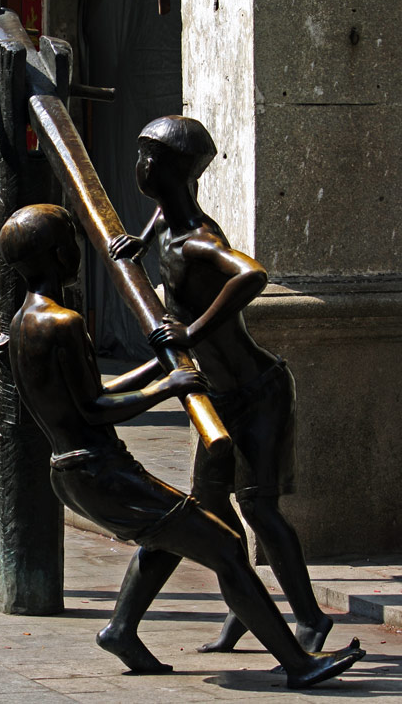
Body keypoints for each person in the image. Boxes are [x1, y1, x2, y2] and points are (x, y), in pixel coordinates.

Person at [0, 203, 363, 688]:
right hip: (101, 470)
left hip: (71, 471)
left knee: (170, 533)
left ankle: (121, 629)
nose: (78, 253)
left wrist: (160, 367)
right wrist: (166, 390)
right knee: (228, 545)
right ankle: (300, 664)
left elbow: (88, 396)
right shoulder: (64, 323)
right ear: (58, 255)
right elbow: (97, 408)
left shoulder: (23, 324)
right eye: (71, 243)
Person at [109, 115, 332, 654]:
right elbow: (154, 226)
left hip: (258, 393)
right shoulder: (163, 221)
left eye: (147, 158)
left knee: (258, 507)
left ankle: (309, 617)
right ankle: (241, 609)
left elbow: (251, 274)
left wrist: (193, 329)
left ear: (171, 170)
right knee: (205, 512)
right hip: (219, 399)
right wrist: (133, 246)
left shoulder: (199, 240)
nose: (138, 167)